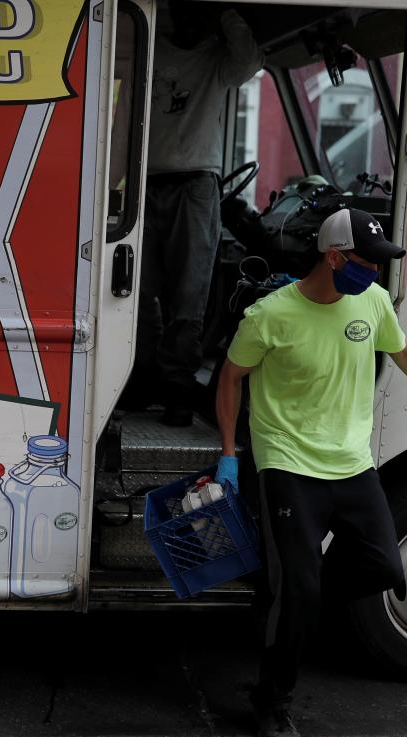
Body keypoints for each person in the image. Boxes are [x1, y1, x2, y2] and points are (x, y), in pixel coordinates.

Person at [212, 208, 407, 737]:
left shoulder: (372, 301)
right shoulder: (270, 315)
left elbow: (405, 352)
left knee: (382, 567)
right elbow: (231, 377)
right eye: (366, 262)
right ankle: (274, 700)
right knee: (299, 588)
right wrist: (228, 452)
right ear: (334, 257)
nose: (375, 273)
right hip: (288, 464)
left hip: (352, 463)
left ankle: (298, 599)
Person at [127, 1, 264, 427]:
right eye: (184, 12)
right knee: (138, 290)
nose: (190, 22)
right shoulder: (152, 51)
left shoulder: (217, 59)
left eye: (197, 15)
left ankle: (177, 387)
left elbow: (251, 60)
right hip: (147, 179)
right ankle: (141, 376)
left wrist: (225, 14)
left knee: (189, 294)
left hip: (197, 182)